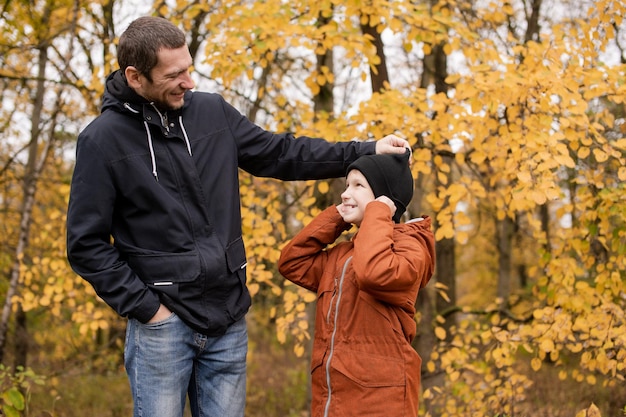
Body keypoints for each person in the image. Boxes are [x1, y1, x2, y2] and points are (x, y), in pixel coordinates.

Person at [65, 15, 410, 417]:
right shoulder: (101, 140)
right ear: (135, 77)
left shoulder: (211, 113)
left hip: (227, 319)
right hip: (161, 328)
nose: (189, 82)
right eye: (175, 75)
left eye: (189, 69)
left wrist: (364, 150)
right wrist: (148, 309)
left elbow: (282, 154)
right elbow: (86, 246)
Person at [278, 150, 436, 417]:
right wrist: (337, 218)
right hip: (332, 401)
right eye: (346, 185)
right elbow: (292, 262)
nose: (345, 193)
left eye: (358, 185)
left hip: (380, 404)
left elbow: (374, 272)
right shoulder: (341, 255)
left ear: (385, 199)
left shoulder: (410, 247)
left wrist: (377, 212)